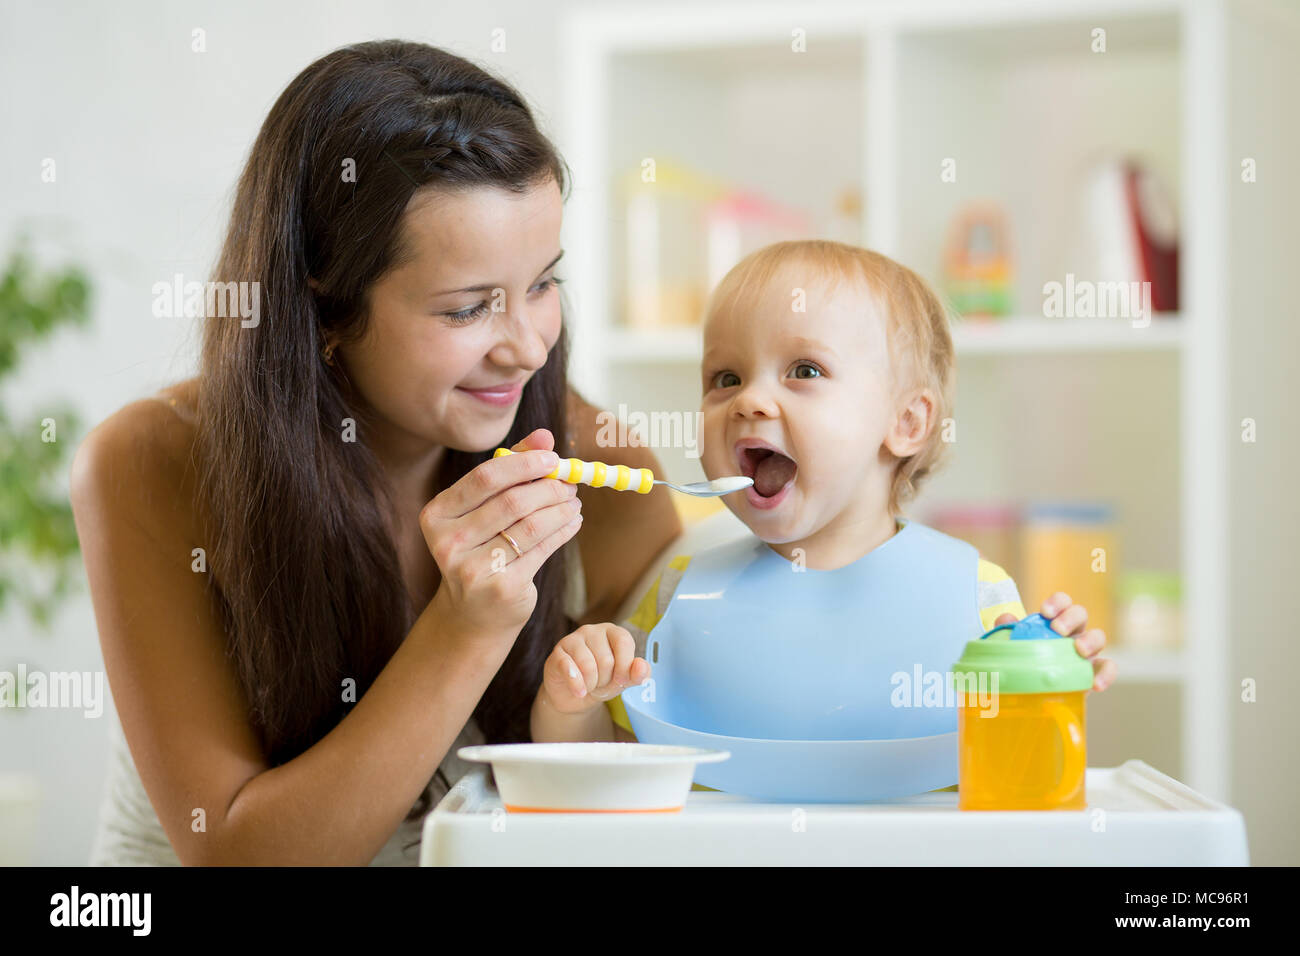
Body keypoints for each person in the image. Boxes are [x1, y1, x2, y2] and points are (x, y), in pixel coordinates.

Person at [69, 39, 681, 865]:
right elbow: (242, 855)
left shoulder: (602, 474)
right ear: (322, 308)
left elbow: (642, 802)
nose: (529, 350)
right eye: (468, 310)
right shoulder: (151, 463)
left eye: (543, 284)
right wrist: (464, 630)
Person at [531, 240, 1117, 763]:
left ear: (906, 421)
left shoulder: (976, 602)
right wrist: (575, 701)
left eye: (804, 370)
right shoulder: (678, 598)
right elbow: (605, 773)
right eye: (726, 378)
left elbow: (1022, 774)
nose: (749, 401)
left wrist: (1049, 681)